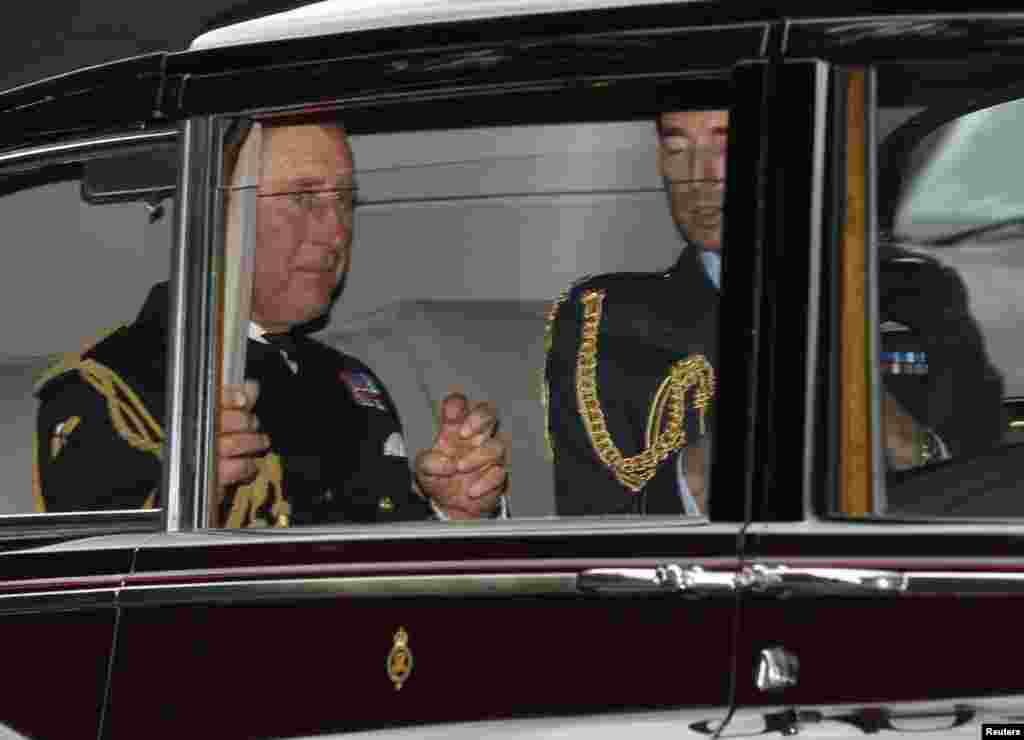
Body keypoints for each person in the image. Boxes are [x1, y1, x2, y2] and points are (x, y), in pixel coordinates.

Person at [33, 116, 508, 526]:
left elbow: (391, 569)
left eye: (345, 200)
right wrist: (190, 500)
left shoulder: (350, 381)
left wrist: (454, 513)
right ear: (218, 211)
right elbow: (95, 591)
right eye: (303, 199)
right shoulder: (110, 388)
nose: (336, 230)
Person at [543, 109, 1003, 516]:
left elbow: (994, 492)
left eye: (729, 145)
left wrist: (893, 430)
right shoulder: (606, 321)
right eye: (677, 147)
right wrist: (702, 472)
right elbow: (593, 538)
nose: (700, 176)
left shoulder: (915, 293)